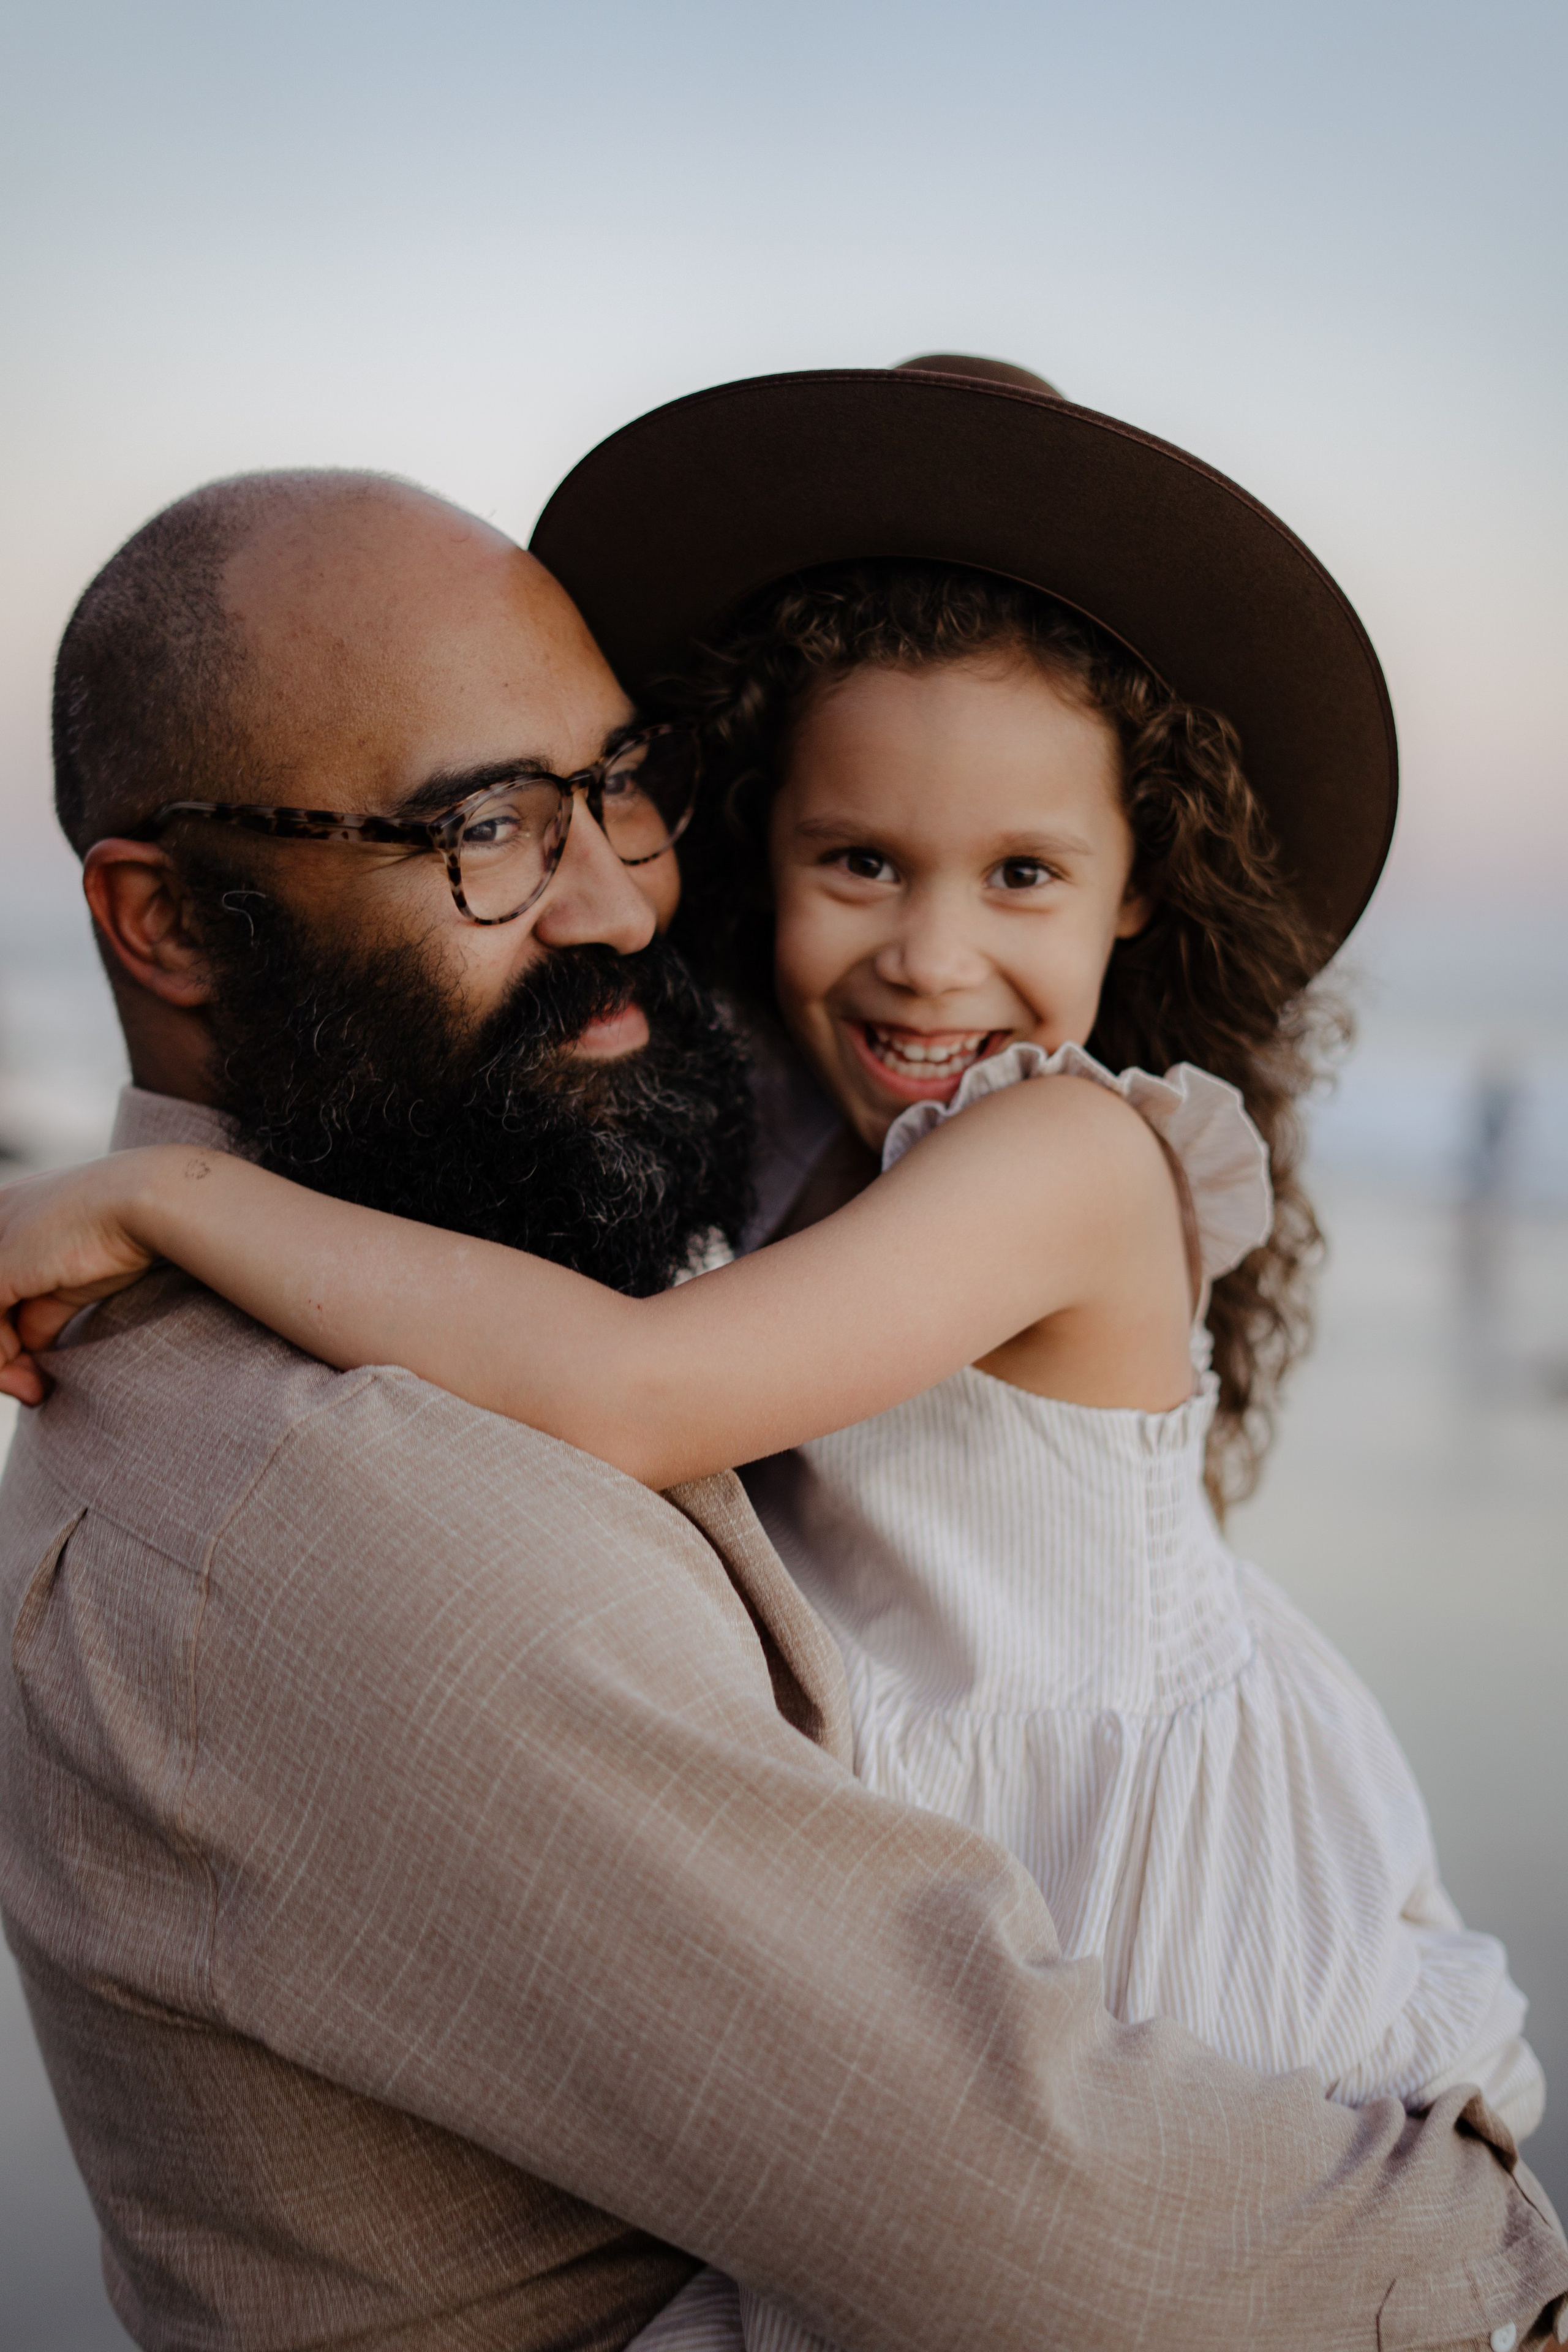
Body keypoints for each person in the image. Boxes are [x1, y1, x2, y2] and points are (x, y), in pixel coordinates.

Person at [0, 375, 1548, 2352]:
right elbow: (1073, 2240)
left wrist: (168, 1198)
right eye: (490, 828)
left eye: (617, 792)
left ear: (1131, 888)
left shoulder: (1025, 1158)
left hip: (1158, 1916)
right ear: (164, 921)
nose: (932, 955)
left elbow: (638, 1383)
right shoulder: (339, 1498)